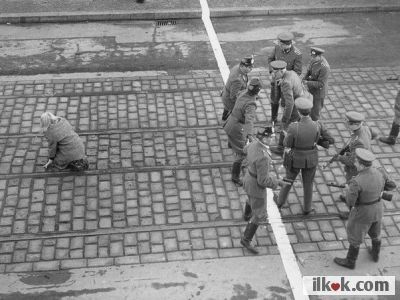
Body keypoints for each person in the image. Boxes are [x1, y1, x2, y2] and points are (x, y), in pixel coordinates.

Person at [334, 148, 396, 269]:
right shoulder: (380, 172)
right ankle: (375, 253)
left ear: (361, 165)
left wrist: (348, 190)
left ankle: (350, 261)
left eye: (356, 162)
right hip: (378, 208)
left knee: (355, 236)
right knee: (375, 232)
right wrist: (377, 191)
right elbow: (391, 185)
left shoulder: (356, 181)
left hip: (363, 213)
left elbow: (350, 202)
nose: (354, 164)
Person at [275, 97, 321, 215]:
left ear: (299, 111)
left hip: (295, 159)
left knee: (288, 180)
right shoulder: (317, 125)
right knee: (308, 183)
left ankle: (280, 202)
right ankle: (307, 208)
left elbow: (287, 144)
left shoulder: (294, 127)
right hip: (311, 158)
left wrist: (286, 136)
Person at [241, 137, 286, 254]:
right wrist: (277, 182)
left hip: (248, 178)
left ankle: (246, 214)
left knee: (251, 198)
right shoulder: (263, 158)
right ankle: (246, 239)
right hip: (256, 186)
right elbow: (263, 181)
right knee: (259, 214)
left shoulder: (254, 144)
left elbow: (245, 150)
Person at [223, 78, 262, 186]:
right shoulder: (251, 104)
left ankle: (231, 145)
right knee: (241, 153)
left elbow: (239, 95)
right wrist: (249, 135)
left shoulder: (244, 92)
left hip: (230, 121)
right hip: (237, 127)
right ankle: (235, 177)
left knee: (233, 140)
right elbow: (249, 120)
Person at [269, 60, 310, 156]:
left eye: (275, 72)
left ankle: (280, 148)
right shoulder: (291, 73)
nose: (273, 75)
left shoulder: (285, 83)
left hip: (294, 107)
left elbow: (289, 104)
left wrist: (285, 118)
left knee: (286, 127)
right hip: (301, 102)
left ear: (281, 71)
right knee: (298, 123)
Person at [266, 32, 302, 125]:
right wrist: (271, 71)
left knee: (286, 102)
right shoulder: (277, 47)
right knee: (274, 100)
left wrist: (285, 78)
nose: (279, 46)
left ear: (287, 44)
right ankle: (273, 118)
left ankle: (286, 120)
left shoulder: (297, 54)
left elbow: (297, 72)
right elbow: (270, 59)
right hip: (275, 80)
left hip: (287, 83)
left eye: (281, 44)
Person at [221, 56, 254, 121]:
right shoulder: (237, 80)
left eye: (252, 67)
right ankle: (227, 123)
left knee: (227, 109)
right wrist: (242, 103)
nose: (251, 69)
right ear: (243, 66)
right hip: (230, 100)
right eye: (249, 67)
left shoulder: (238, 68)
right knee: (235, 116)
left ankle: (224, 117)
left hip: (227, 93)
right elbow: (233, 97)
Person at [302, 47, 330, 121]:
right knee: (309, 107)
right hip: (311, 89)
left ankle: (316, 128)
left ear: (319, 56)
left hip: (318, 93)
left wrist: (307, 82)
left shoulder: (325, 67)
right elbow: (309, 71)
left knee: (315, 113)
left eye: (314, 56)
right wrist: (304, 78)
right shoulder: (313, 60)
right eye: (311, 56)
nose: (312, 58)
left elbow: (321, 84)